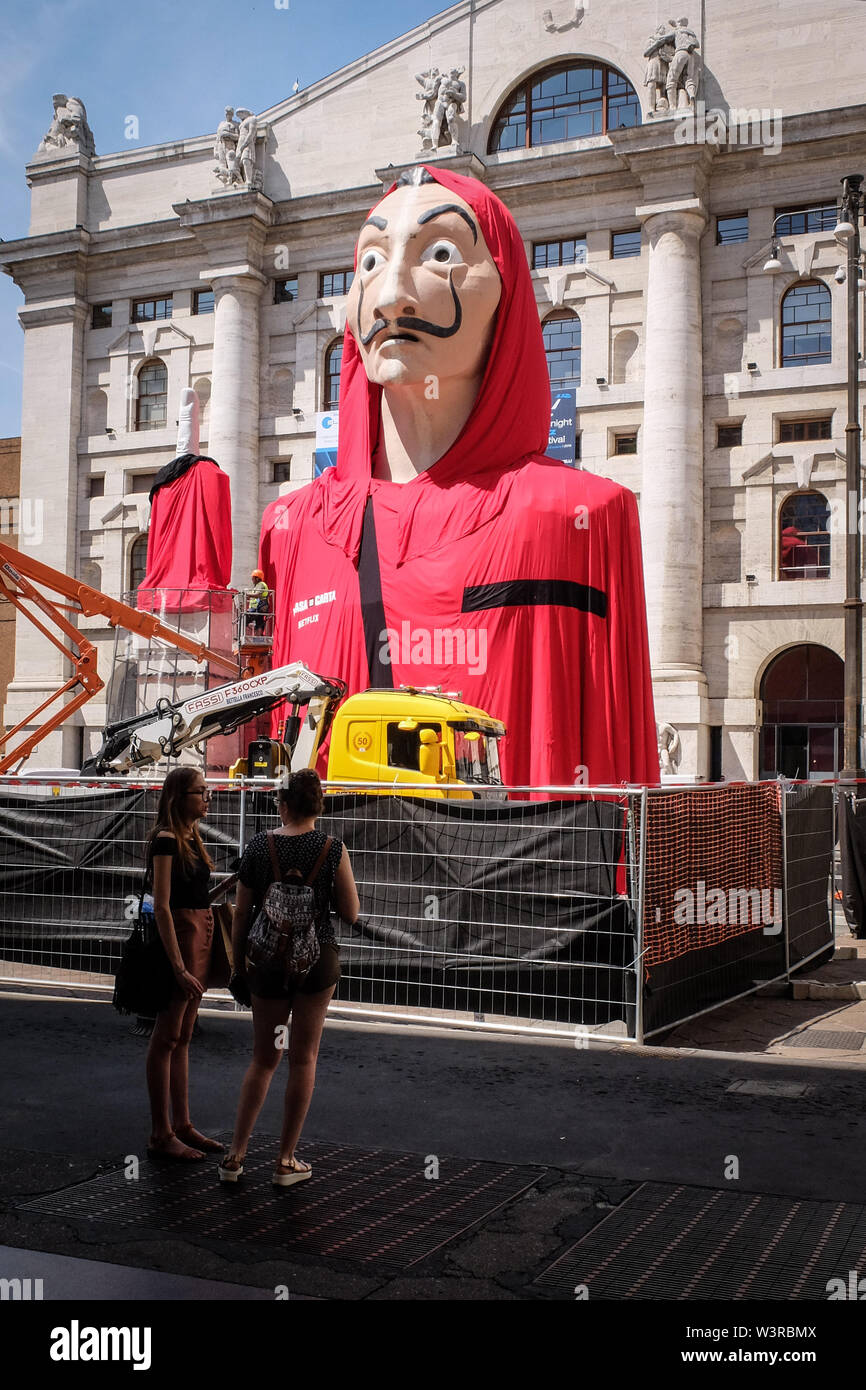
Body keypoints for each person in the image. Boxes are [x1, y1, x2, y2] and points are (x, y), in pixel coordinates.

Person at [259, 165, 660, 789]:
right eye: (369, 262)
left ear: (506, 293)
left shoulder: (580, 517)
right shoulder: (294, 527)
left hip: (510, 878)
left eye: (441, 253)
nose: (392, 293)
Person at [219, 768, 359, 1186]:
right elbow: (351, 913)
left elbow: (241, 912)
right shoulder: (333, 849)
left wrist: (240, 965)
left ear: (283, 805)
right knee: (303, 1058)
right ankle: (285, 1161)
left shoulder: (260, 847)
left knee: (265, 1058)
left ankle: (235, 1156)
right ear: (319, 807)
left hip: (267, 963)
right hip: (316, 962)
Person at [145, 767, 224, 1160]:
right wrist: (178, 967)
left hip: (198, 935)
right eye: (201, 792)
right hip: (181, 940)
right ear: (180, 797)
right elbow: (161, 906)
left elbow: (191, 892)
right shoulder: (165, 840)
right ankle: (162, 1132)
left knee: (183, 1036)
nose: (208, 797)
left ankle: (183, 1124)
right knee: (167, 1037)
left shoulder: (190, 837)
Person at [246, 568, 269, 636]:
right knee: (259, 623)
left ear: (257, 578)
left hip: (259, 607)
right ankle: (258, 636)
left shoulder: (261, 584)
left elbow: (258, 594)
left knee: (244, 619)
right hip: (258, 608)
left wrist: (247, 594)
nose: (252, 579)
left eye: (253, 578)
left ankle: (244, 634)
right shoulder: (256, 586)